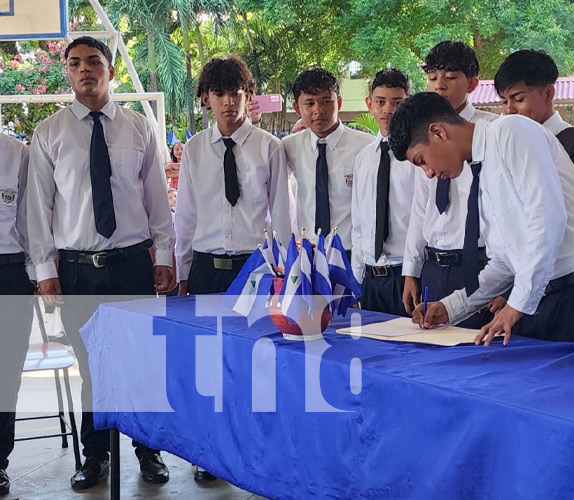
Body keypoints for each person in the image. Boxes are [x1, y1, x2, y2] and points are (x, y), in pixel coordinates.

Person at [26, 36, 175, 489]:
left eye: (94, 61)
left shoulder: (137, 128)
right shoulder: (49, 133)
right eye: (75, 63)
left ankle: (148, 450)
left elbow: (156, 200)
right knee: (91, 366)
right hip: (77, 269)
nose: (85, 69)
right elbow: (37, 207)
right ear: (67, 73)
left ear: (111, 70)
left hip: (132, 263)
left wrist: (165, 256)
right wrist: (46, 272)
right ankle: (95, 456)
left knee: (140, 362)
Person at [390, 92, 574, 351]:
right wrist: (451, 307)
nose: (428, 173)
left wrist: (516, 305)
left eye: (421, 160)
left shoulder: (511, 130)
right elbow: (505, 262)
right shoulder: (479, 172)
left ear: (438, 132)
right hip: (546, 299)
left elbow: (547, 218)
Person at [175, 55, 291, 302]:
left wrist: (286, 270)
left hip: (256, 266)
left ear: (247, 96)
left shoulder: (269, 147)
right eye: (219, 94)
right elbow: (186, 215)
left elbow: (282, 214)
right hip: (206, 268)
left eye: (235, 93)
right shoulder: (194, 149)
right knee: (206, 339)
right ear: (206, 99)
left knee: (257, 338)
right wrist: (182, 272)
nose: (228, 102)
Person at [402, 40, 501, 328]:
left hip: (478, 265)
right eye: (433, 78)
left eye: (450, 77)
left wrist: (507, 283)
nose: (440, 86)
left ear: (471, 84)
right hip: (433, 266)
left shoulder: (490, 132)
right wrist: (412, 270)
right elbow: (419, 210)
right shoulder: (420, 135)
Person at [282, 68, 373, 249]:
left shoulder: (365, 147)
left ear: (338, 102)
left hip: (350, 250)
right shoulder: (288, 147)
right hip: (308, 252)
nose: (319, 110)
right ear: (297, 108)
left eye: (326, 101)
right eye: (310, 103)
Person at [351, 69, 414, 316]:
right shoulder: (364, 158)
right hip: (370, 277)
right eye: (380, 102)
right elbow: (358, 222)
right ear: (370, 105)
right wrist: (356, 280)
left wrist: (413, 272)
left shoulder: (417, 156)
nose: (388, 110)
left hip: (405, 275)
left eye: (397, 103)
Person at [494, 49, 574, 197]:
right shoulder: (509, 146)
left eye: (519, 99)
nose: (509, 110)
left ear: (548, 93)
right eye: (504, 101)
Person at [0, 134, 34, 498]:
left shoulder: (16, 154)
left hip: (8, 273)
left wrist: (36, 273)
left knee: (6, 374)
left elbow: (29, 218)